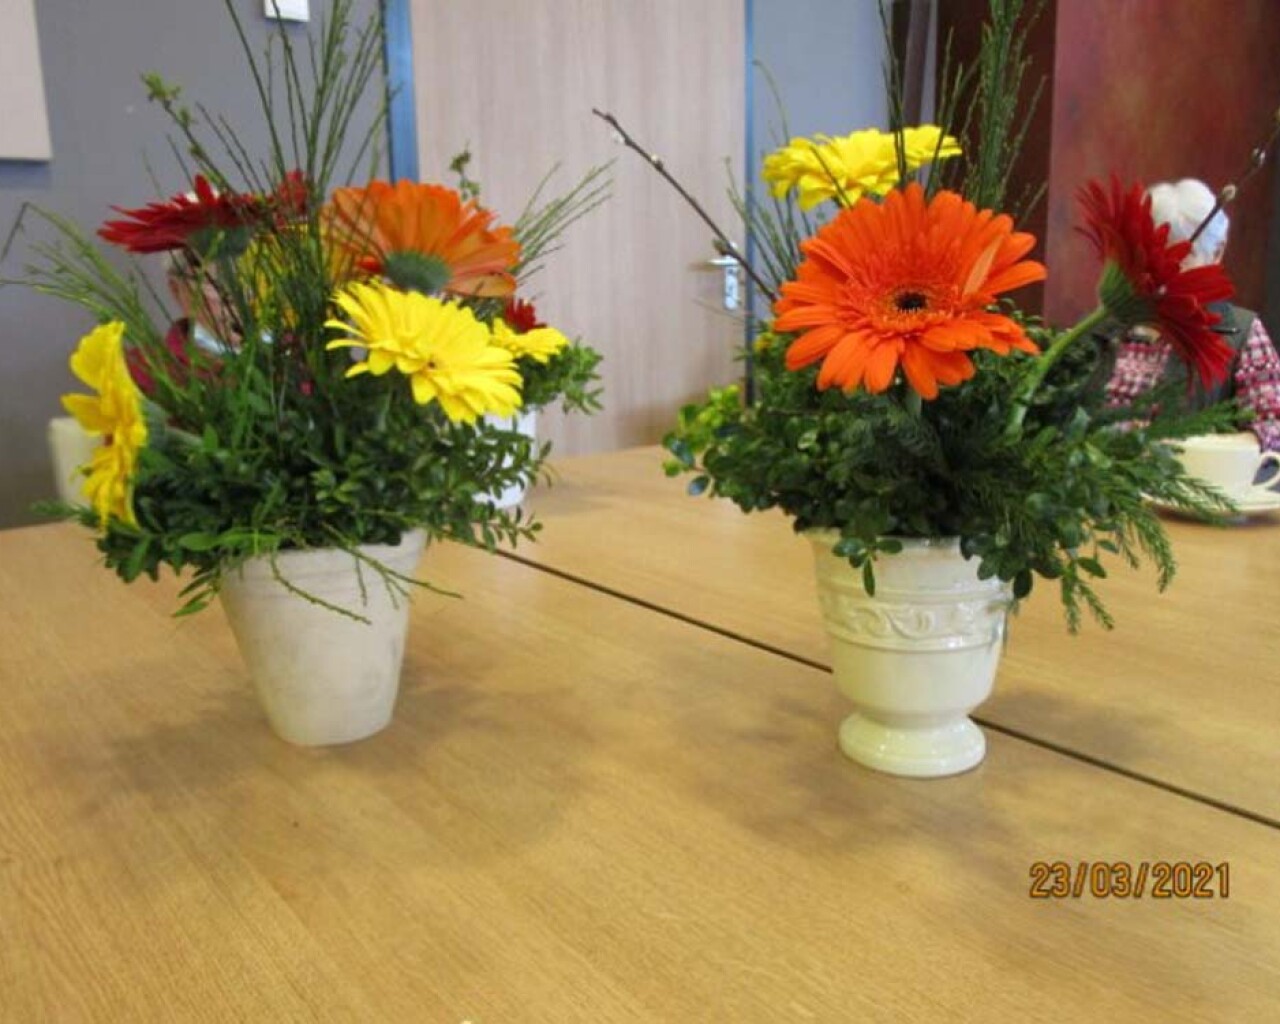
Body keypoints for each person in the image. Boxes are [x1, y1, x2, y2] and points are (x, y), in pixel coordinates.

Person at [1102, 178, 1280, 452]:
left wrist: (1199, 449)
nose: (1165, 268)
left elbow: (1273, 429)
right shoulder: (1104, 326)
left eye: (1184, 254)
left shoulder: (1240, 333)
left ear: (1217, 252)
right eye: (1156, 251)